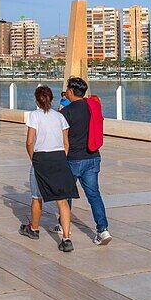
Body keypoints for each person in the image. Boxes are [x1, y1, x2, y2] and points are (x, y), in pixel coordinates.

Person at [19, 85, 77, 252]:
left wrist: (34, 158)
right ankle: (66, 238)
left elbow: (30, 141)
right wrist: (61, 158)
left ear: (37, 100)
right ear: (51, 99)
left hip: (41, 157)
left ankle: (34, 229)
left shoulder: (34, 116)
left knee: (37, 197)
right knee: (62, 200)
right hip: (59, 157)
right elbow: (66, 143)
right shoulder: (60, 117)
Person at [60, 77, 112, 246]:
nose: (66, 91)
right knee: (94, 195)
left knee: (66, 194)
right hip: (93, 157)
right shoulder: (92, 107)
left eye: (68, 89)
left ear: (72, 92)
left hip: (73, 159)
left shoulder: (66, 112)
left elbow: (61, 137)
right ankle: (103, 230)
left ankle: (62, 224)